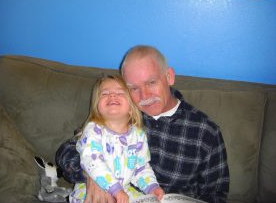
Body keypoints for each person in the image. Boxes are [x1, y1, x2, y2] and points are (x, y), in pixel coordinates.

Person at [56, 45, 229, 203]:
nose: (144, 96)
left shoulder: (206, 132)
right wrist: (92, 176)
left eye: (151, 83)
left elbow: (216, 193)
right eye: (133, 88)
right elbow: (66, 153)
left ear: (169, 76)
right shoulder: (122, 114)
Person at [69, 75, 164, 203]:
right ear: (97, 107)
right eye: (105, 93)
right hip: (91, 191)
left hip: (124, 190)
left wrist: (152, 187)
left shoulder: (138, 135)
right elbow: (92, 161)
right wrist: (115, 189)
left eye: (120, 92)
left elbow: (141, 168)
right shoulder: (93, 129)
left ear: (131, 107)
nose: (112, 96)